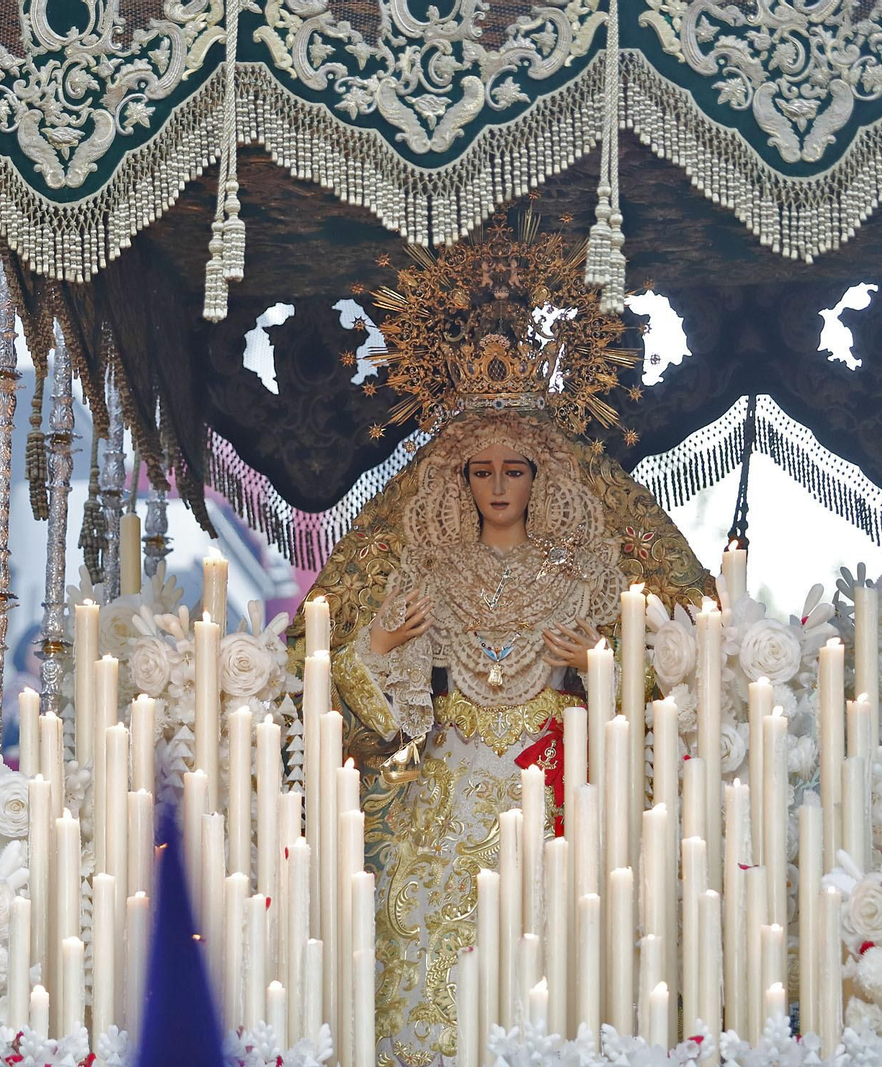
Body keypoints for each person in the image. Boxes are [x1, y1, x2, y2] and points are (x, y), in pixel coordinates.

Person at [292, 220, 711, 1063]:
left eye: (512, 469)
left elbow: (658, 675)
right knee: (429, 958)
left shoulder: (582, 568)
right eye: (479, 472)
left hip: (556, 780)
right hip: (447, 788)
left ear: (540, 474)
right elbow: (376, 710)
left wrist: (600, 658)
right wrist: (374, 644)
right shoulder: (430, 570)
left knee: (560, 952)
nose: (496, 487)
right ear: (457, 477)